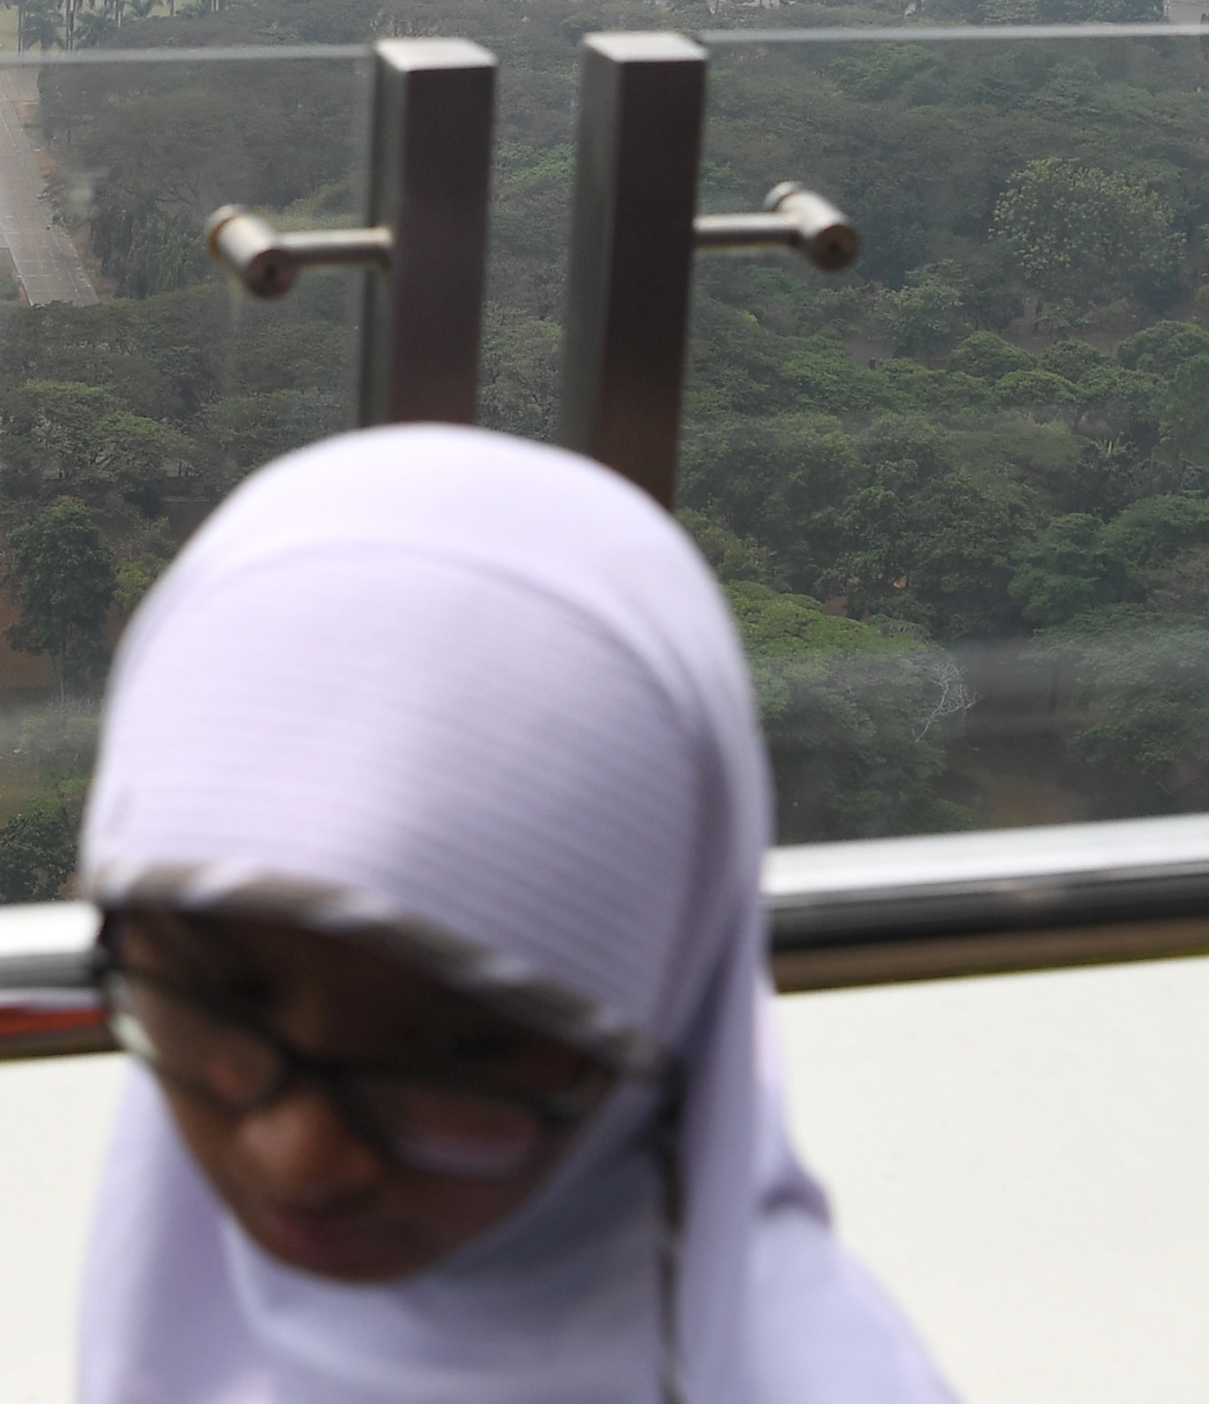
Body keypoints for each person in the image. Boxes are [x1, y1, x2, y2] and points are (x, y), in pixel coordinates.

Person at [77, 423, 948, 1403]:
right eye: (226, 993)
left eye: (455, 1049)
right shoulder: (189, 1255)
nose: (299, 1155)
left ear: (654, 1024)